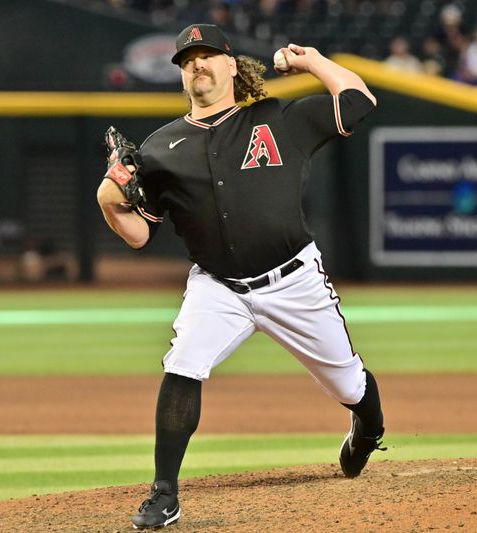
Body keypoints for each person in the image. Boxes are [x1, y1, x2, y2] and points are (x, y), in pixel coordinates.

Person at [97, 24, 385, 530]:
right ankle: (165, 493)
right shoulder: (161, 148)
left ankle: (368, 425)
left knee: (349, 382)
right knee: (183, 363)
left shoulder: (276, 118)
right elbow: (139, 235)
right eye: (188, 59)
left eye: (208, 55)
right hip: (218, 287)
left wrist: (313, 60)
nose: (197, 64)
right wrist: (109, 198)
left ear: (232, 65)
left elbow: (359, 100)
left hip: (295, 281)